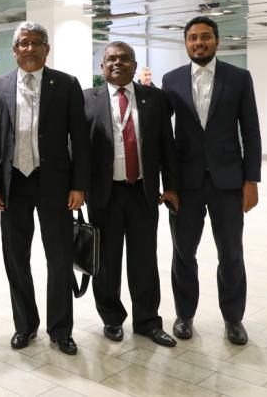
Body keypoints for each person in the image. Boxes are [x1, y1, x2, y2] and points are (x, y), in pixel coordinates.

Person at [0, 22, 91, 355]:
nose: (29, 48)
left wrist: (79, 185)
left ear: (47, 49)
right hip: (13, 183)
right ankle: (25, 325)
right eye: (23, 43)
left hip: (55, 183)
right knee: (16, 258)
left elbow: (81, 139)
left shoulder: (67, 84)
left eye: (36, 43)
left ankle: (60, 329)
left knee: (59, 258)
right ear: (14, 50)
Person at [162, 16, 261, 345]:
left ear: (217, 41)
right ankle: (184, 315)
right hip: (185, 185)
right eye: (192, 38)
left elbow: (251, 131)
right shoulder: (171, 80)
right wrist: (168, 185)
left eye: (205, 37)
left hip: (228, 183)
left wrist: (251, 180)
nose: (198, 42)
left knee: (231, 253)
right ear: (186, 43)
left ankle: (233, 319)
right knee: (183, 253)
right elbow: (164, 136)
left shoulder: (238, 78)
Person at [83, 41, 179, 347]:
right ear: (102, 67)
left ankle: (148, 321)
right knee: (106, 262)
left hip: (143, 192)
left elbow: (167, 146)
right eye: (111, 59)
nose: (117, 63)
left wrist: (172, 187)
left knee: (144, 260)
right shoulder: (87, 99)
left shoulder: (156, 99)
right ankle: (111, 318)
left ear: (134, 66)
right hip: (104, 194)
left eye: (124, 58)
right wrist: (76, 188)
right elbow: (77, 151)